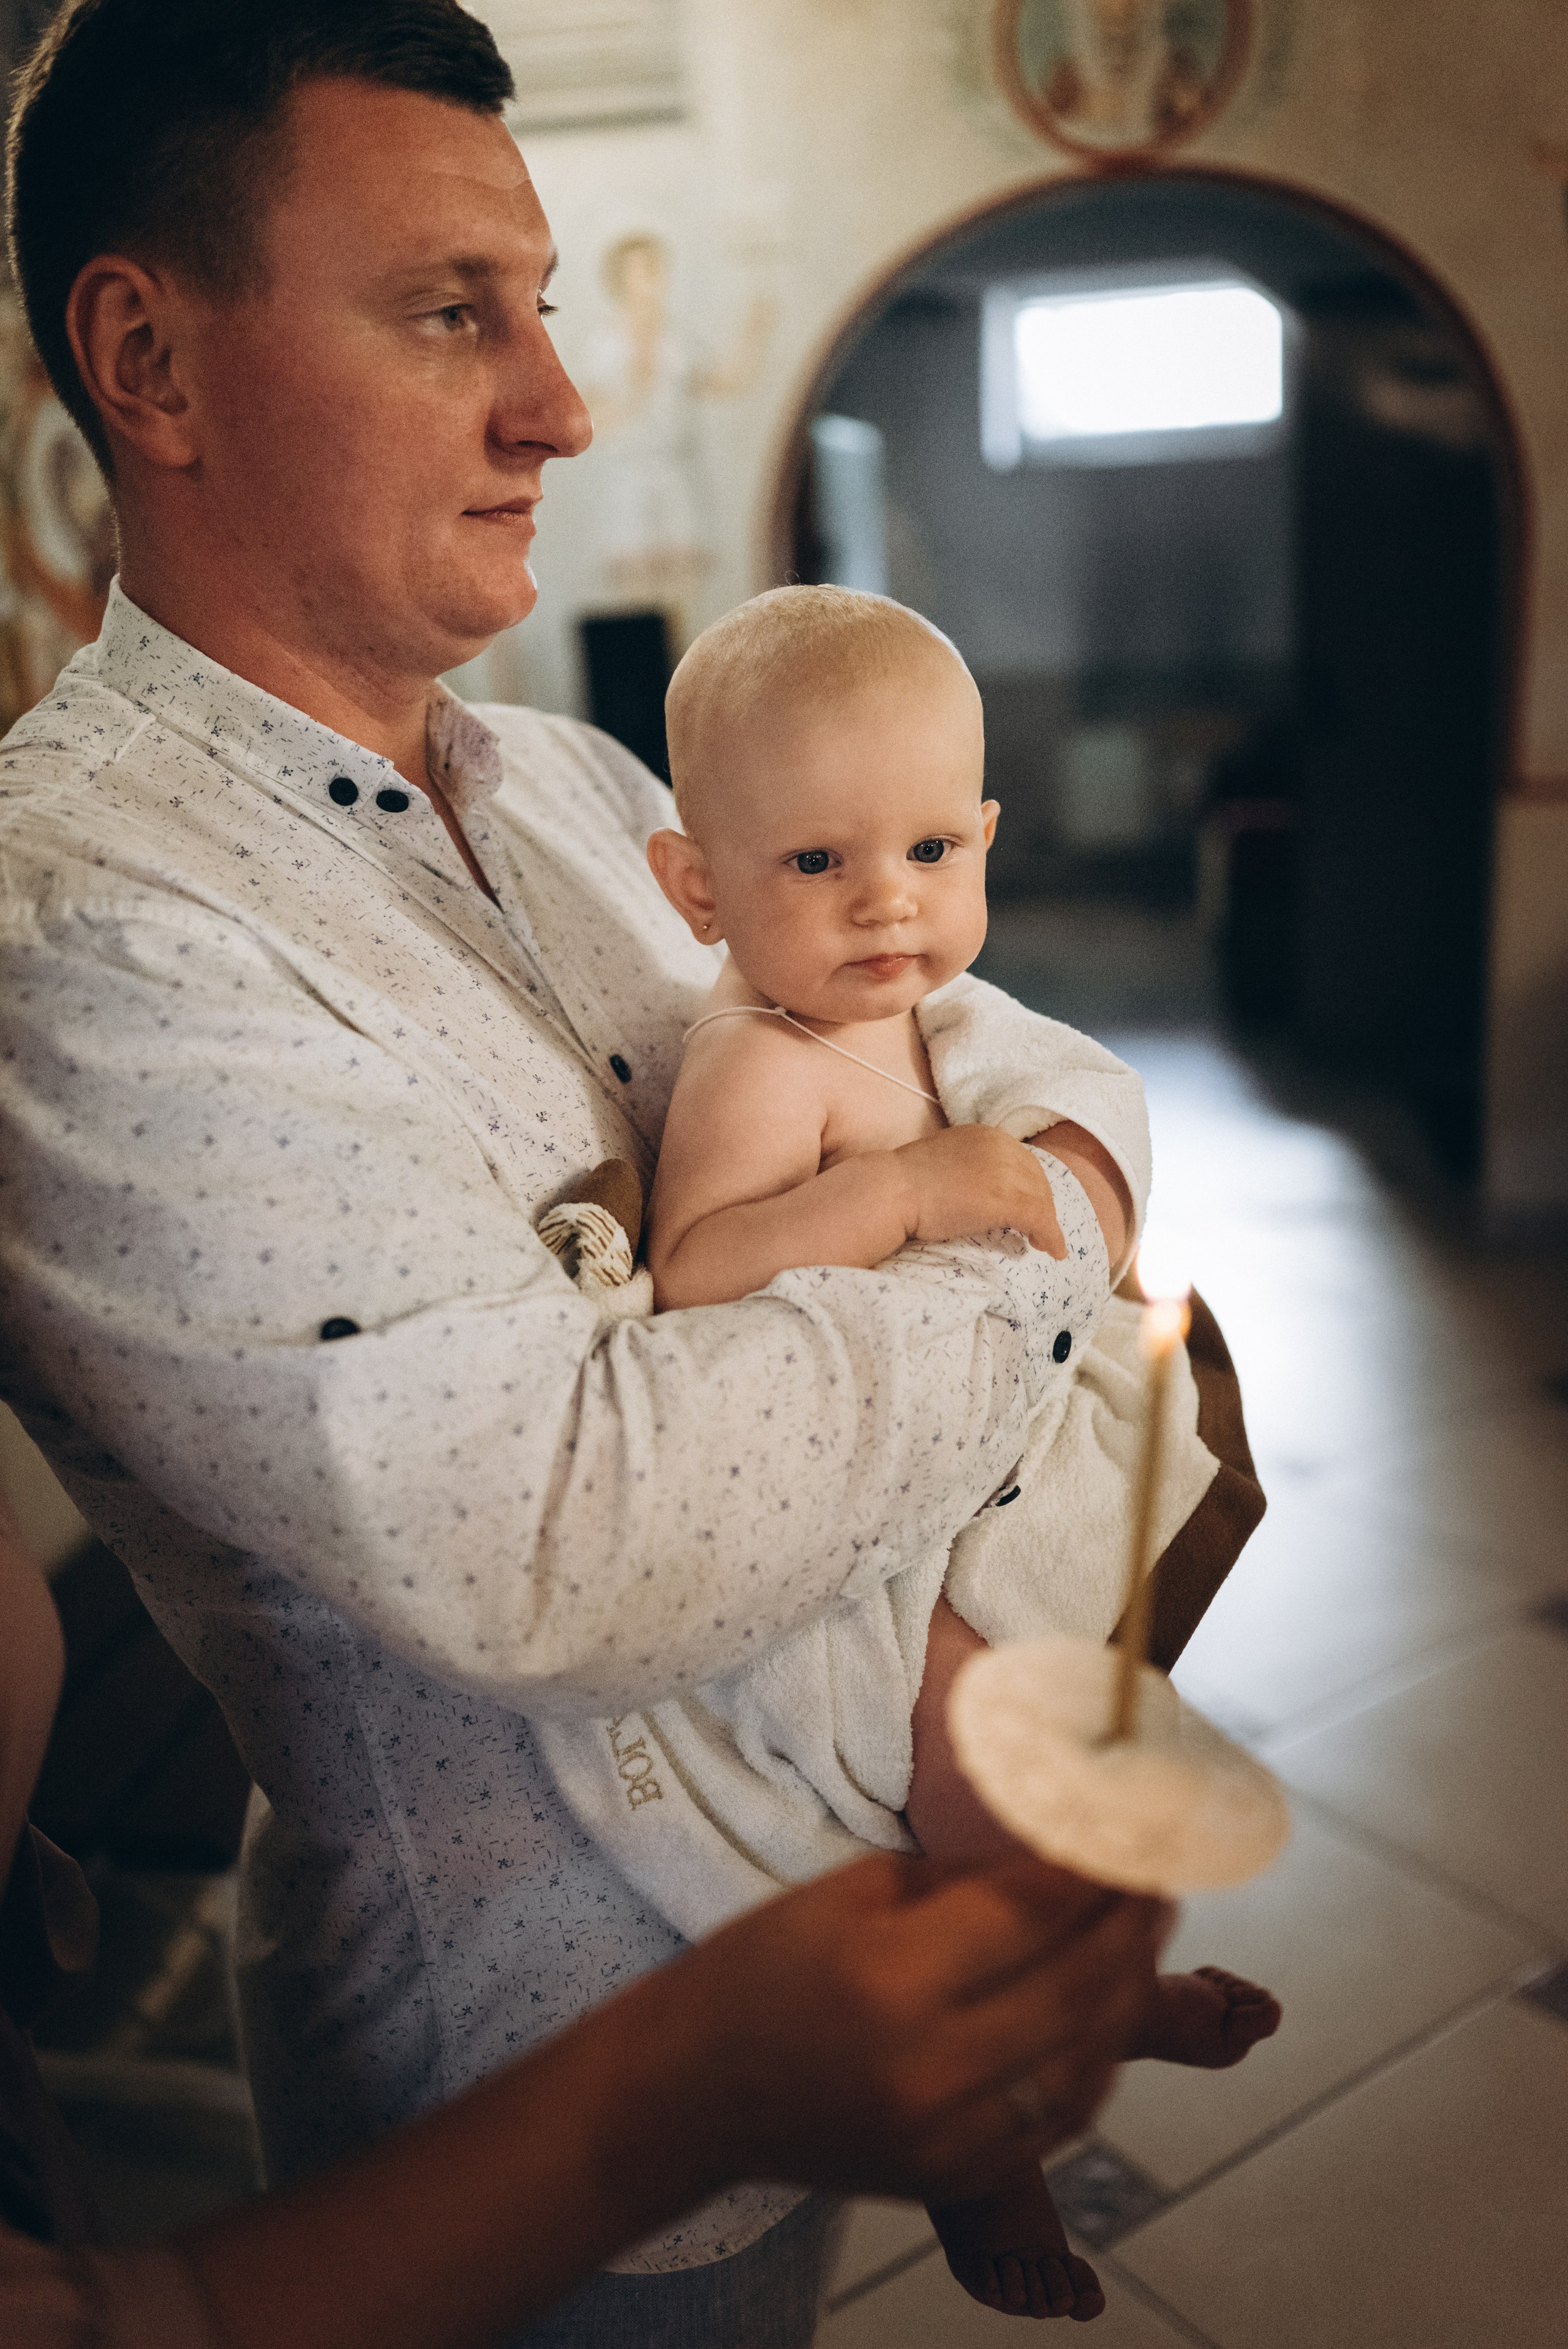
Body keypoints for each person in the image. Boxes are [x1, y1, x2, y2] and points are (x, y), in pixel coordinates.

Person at [0, 3, 1258, 2339]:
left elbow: (1018, 1044)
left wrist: (1047, 1177)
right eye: (448, 310)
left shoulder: (583, 786)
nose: (559, 401)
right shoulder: (89, 925)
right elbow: (579, 1533)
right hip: (532, 2057)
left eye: (543, 303)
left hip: (826, 1921)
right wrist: (1020, 1236)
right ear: (148, 361)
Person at [535, 585, 1279, 2321]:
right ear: (695, 887)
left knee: (1094, 1751)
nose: (889, 898)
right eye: (815, 864)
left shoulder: (911, 1009)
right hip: (854, 1534)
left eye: (933, 846)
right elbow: (698, 1269)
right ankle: (986, 2133)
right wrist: (908, 1191)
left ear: (987, 837)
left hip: (966, 1460)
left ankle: (1084, 1972)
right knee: (975, 1763)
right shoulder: (758, 1058)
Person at [0, 1486, 1172, 2348]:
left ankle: (1046, 2003)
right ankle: (1000, 2099)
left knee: (960, 1693)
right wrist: (676, 2099)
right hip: (513, 2010)